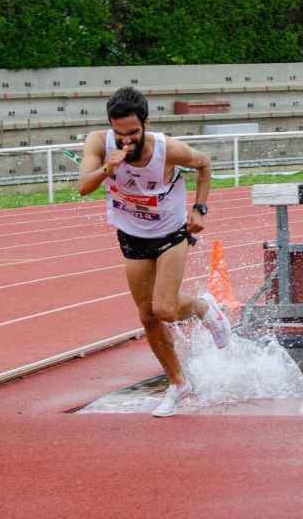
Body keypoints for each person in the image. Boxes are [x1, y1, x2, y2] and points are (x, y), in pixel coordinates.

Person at [78, 86, 230, 418]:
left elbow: (204, 165)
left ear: (145, 124)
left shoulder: (168, 150)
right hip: (131, 234)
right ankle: (178, 383)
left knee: (165, 309)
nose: (126, 141)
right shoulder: (99, 143)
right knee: (146, 316)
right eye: (120, 134)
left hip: (169, 234)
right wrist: (109, 167)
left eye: (133, 133)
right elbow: (82, 187)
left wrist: (200, 209)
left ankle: (205, 308)